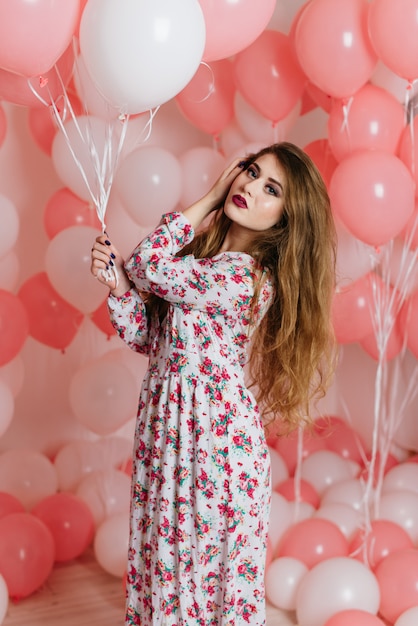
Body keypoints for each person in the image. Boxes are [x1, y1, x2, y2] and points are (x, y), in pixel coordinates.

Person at [91, 142, 336, 626]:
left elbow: (146, 264)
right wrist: (118, 287)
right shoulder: (204, 258)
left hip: (213, 445)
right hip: (170, 432)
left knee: (198, 573)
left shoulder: (246, 277)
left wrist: (209, 195)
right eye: (249, 172)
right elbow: (153, 340)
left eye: (271, 189)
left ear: (286, 220)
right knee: (168, 561)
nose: (248, 186)